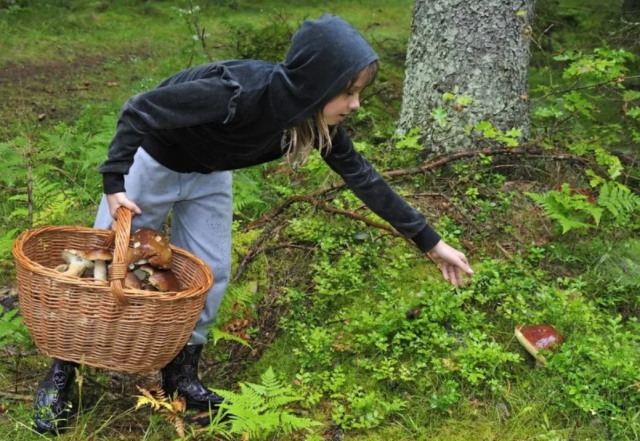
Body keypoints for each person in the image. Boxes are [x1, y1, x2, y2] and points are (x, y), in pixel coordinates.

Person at [32, 14, 473, 433]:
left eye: (358, 92)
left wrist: (430, 242)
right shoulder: (234, 92)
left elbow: (363, 178)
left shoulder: (308, 118)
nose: (355, 104)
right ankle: (63, 373)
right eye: (348, 92)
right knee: (103, 265)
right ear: (316, 84)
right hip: (156, 160)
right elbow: (139, 109)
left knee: (212, 272)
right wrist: (114, 181)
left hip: (210, 174)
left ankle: (181, 377)